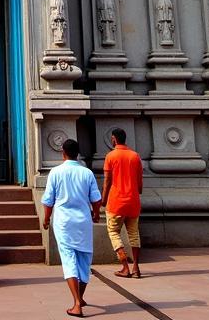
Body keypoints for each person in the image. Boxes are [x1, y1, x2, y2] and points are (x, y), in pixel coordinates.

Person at [42, 139, 102, 317]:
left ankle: (76, 302)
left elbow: (48, 201)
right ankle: (80, 297)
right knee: (84, 259)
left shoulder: (55, 172)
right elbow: (96, 200)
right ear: (78, 153)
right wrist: (96, 214)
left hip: (63, 222)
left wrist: (46, 219)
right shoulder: (87, 173)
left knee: (69, 260)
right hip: (83, 221)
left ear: (63, 153)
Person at [102, 127, 143, 279]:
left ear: (114, 139)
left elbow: (107, 181)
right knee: (134, 234)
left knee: (113, 232)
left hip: (116, 202)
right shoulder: (135, 156)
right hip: (133, 201)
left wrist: (103, 199)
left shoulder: (110, 156)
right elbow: (139, 183)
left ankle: (125, 266)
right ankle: (136, 268)